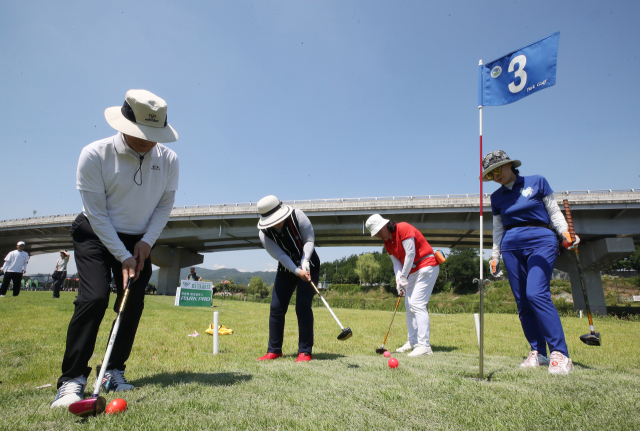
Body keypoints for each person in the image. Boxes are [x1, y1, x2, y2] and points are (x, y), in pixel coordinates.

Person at [51, 89, 180, 408]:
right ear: (123, 125)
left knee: (133, 302)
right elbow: (96, 213)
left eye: (155, 134)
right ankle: (72, 380)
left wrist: (146, 242)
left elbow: (164, 205)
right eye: (142, 133)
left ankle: (112, 371)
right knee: (94, 298)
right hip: (95, 233)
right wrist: (121, 255)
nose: (149, 141)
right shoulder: (95, 154)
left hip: (138, 240)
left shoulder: (169, 160)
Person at [483, 150, 579, 376]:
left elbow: (553, 211)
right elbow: (498, 228)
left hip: (542, 240)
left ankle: (560, 353)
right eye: (490, 174)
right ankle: (538, 352)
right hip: (511, 247)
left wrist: (564, 231)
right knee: (523, 301)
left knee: (536, 294)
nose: (495, 176)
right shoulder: (496, 197)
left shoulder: (537, 181)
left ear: (509, 165)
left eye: (497, 170)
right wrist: (495, 255)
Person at [256, 195, 319, 363]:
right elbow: (281, 255)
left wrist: (305, 262)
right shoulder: (264, 234)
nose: (276, 223)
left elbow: (309, 240)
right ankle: (274, 350)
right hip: (287, 268)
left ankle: (305, 351)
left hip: (310, 263)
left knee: (302, 306)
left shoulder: (297, 215)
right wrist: (297, 271)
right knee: (276, 307)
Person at [366, 215, 440, 357]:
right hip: (411, 271)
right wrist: (399, 280)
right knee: (408, 306)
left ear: (384, 226)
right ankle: (413, 342)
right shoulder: (387, 242)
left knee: (417, 304)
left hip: (426, 266)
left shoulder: (403, 228)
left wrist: (403, 276)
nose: (378, 236)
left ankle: (424, 346)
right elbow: (396, 263)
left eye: (378, 232)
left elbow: (410, 253)